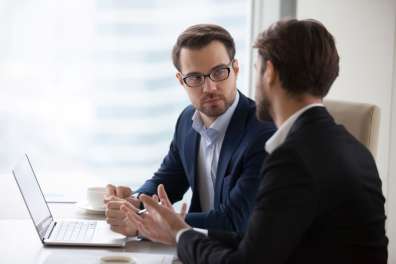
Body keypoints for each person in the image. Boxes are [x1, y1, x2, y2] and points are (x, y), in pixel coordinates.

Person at [120, 19, 388, 263]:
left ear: (268, 72)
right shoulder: (352, 148)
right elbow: (259, 243)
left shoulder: (290, 155)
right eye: (197, 78)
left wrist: (178, 233)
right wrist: (161, 221)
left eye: (257, 68)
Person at [104, 24, 276, 236]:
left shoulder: (263, 132)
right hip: (194, 250)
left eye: (219, 72)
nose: (210, 87)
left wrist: (145, 222)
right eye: (195, 78)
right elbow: (167, 181)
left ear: (236, 69)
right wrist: (133, 202)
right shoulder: (187, 121)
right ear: (181, 81)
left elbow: (235, 220)